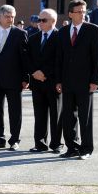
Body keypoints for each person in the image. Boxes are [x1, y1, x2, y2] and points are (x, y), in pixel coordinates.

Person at [56, 0, 98, 160]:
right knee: (68, 117)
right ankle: (72, 147)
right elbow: (59, 58)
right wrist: (58, 80)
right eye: (79, 11)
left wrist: (95, 80)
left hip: (86, 82)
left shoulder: (93, 30)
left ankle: (86, 149)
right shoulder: (63, 32)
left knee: (85, 117)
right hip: (67, 82)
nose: (82, 14)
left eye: (84, 11)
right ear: (70, 14)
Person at [0, 4, 29, 151]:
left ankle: (14, 140)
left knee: (14, 111)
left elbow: (24, 58)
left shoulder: (20, 34)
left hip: (14, 80)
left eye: (12, 17)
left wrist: (26, 78)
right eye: (7, 16)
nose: (10, 19)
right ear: (0, 17)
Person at [27, 9, 63, 153]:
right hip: (37, 82)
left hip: (54, 82)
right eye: (39, 20)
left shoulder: (60, 37)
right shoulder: (33, 38)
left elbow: (59, 59)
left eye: (43, 20)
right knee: (39, 114)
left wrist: (44, 72)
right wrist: (34, 72)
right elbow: (28, 58)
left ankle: (56, 144)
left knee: (56, 114)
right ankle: (40, 143)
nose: (39, 23)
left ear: (53, 21)